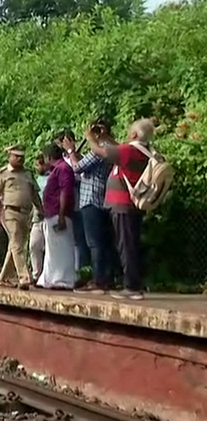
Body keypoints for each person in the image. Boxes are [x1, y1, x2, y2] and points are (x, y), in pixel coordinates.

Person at [85, 118, 154, 300]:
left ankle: (131, 287)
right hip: (132, 205)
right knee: (130, 243)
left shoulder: (129, 152)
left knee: (126, 245)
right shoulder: (143, 152)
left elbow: (103, 153)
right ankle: (132, 283)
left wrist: (91, 138)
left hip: (123, 205)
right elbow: (119, 148)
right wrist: (106, 137)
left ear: (133, 134)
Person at [59, 130, 115, 293]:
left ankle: (98, 280)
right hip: (103, 198)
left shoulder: (101, 148)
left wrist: (71, 151)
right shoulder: (112, 148)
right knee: (103, 242)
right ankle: (106, 277)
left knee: (94, 243)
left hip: (90, 199)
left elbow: (77, 167)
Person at [0, 145, 43, 290]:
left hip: (25, 214)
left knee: (15, 246)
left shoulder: (27, 174)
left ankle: (3, 277)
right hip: (9, 213)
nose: (20, 159)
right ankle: (24, 277)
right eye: (17, 156)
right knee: (17, 244)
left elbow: (34, 194)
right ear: (10, 157)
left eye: (22, 157)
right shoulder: (3, 173)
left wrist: (40, 209)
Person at [37, 143, 77, 289]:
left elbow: (65, 192)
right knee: (53, 249)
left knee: (62, 248)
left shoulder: (63, 169)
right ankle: (49, 278)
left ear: (48, 157)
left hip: (59, 213)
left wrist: (61, 213)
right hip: (51, 213)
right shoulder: (57, 170)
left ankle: (63, 279)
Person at [57, 130, 92, 274]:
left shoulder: (79, 159)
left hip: (77, 205)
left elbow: (80, 175)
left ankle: (81, 272)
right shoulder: (59, 162)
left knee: (79, 241)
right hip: (60, 207)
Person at [29, 155, 49, 283]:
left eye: (40, 164)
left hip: (49, 217)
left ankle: (46, 276)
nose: (38, 167)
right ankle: (36, 274)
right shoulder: (36, 180)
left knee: (49, 248)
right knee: (34, 245)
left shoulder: (51, 178)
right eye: (37, 165)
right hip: (36, 218)